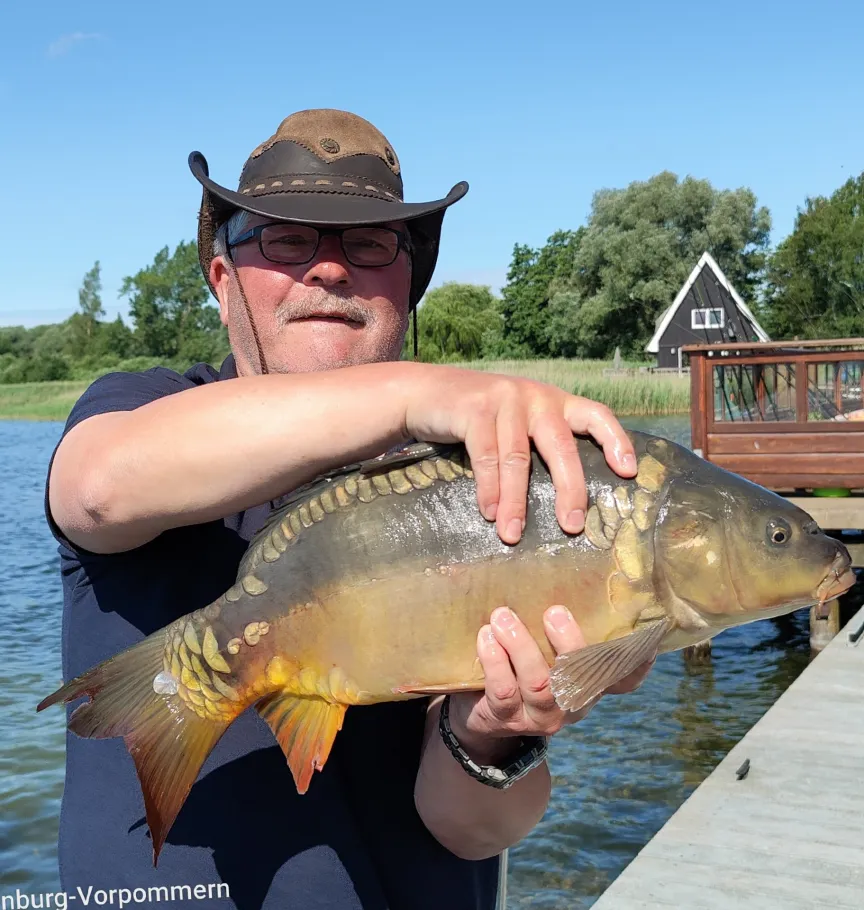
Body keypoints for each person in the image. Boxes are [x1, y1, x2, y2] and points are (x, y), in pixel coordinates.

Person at [44, 108, 652, 910]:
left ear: (409, 287)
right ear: (224, 283)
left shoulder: (484, 471)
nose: (329, 269)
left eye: (368, 244)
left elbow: (472, 831)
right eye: (285, 238)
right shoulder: (142, 407)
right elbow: (98, 487)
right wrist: (418, 390)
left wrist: (493, 732)